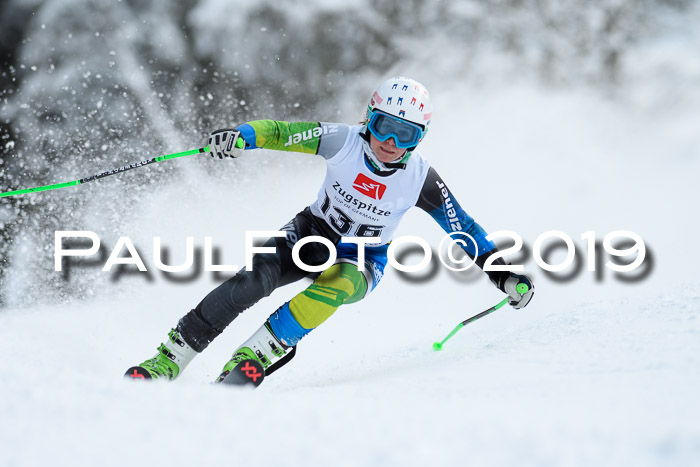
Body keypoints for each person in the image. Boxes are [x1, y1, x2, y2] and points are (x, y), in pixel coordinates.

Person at [125, 76, 534, 386]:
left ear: (419, 139)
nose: (389, 141)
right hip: (311, 232)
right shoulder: (344, 141)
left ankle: (253, 355)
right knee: (251, 283)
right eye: (383, 126)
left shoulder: (421, 180)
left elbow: (464, 229)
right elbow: (283, 133)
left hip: (363, 258)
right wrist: (243, 137)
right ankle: (167, 359)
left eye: (405, 134)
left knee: (337, 285)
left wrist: (503, 273)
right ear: (368, 119)